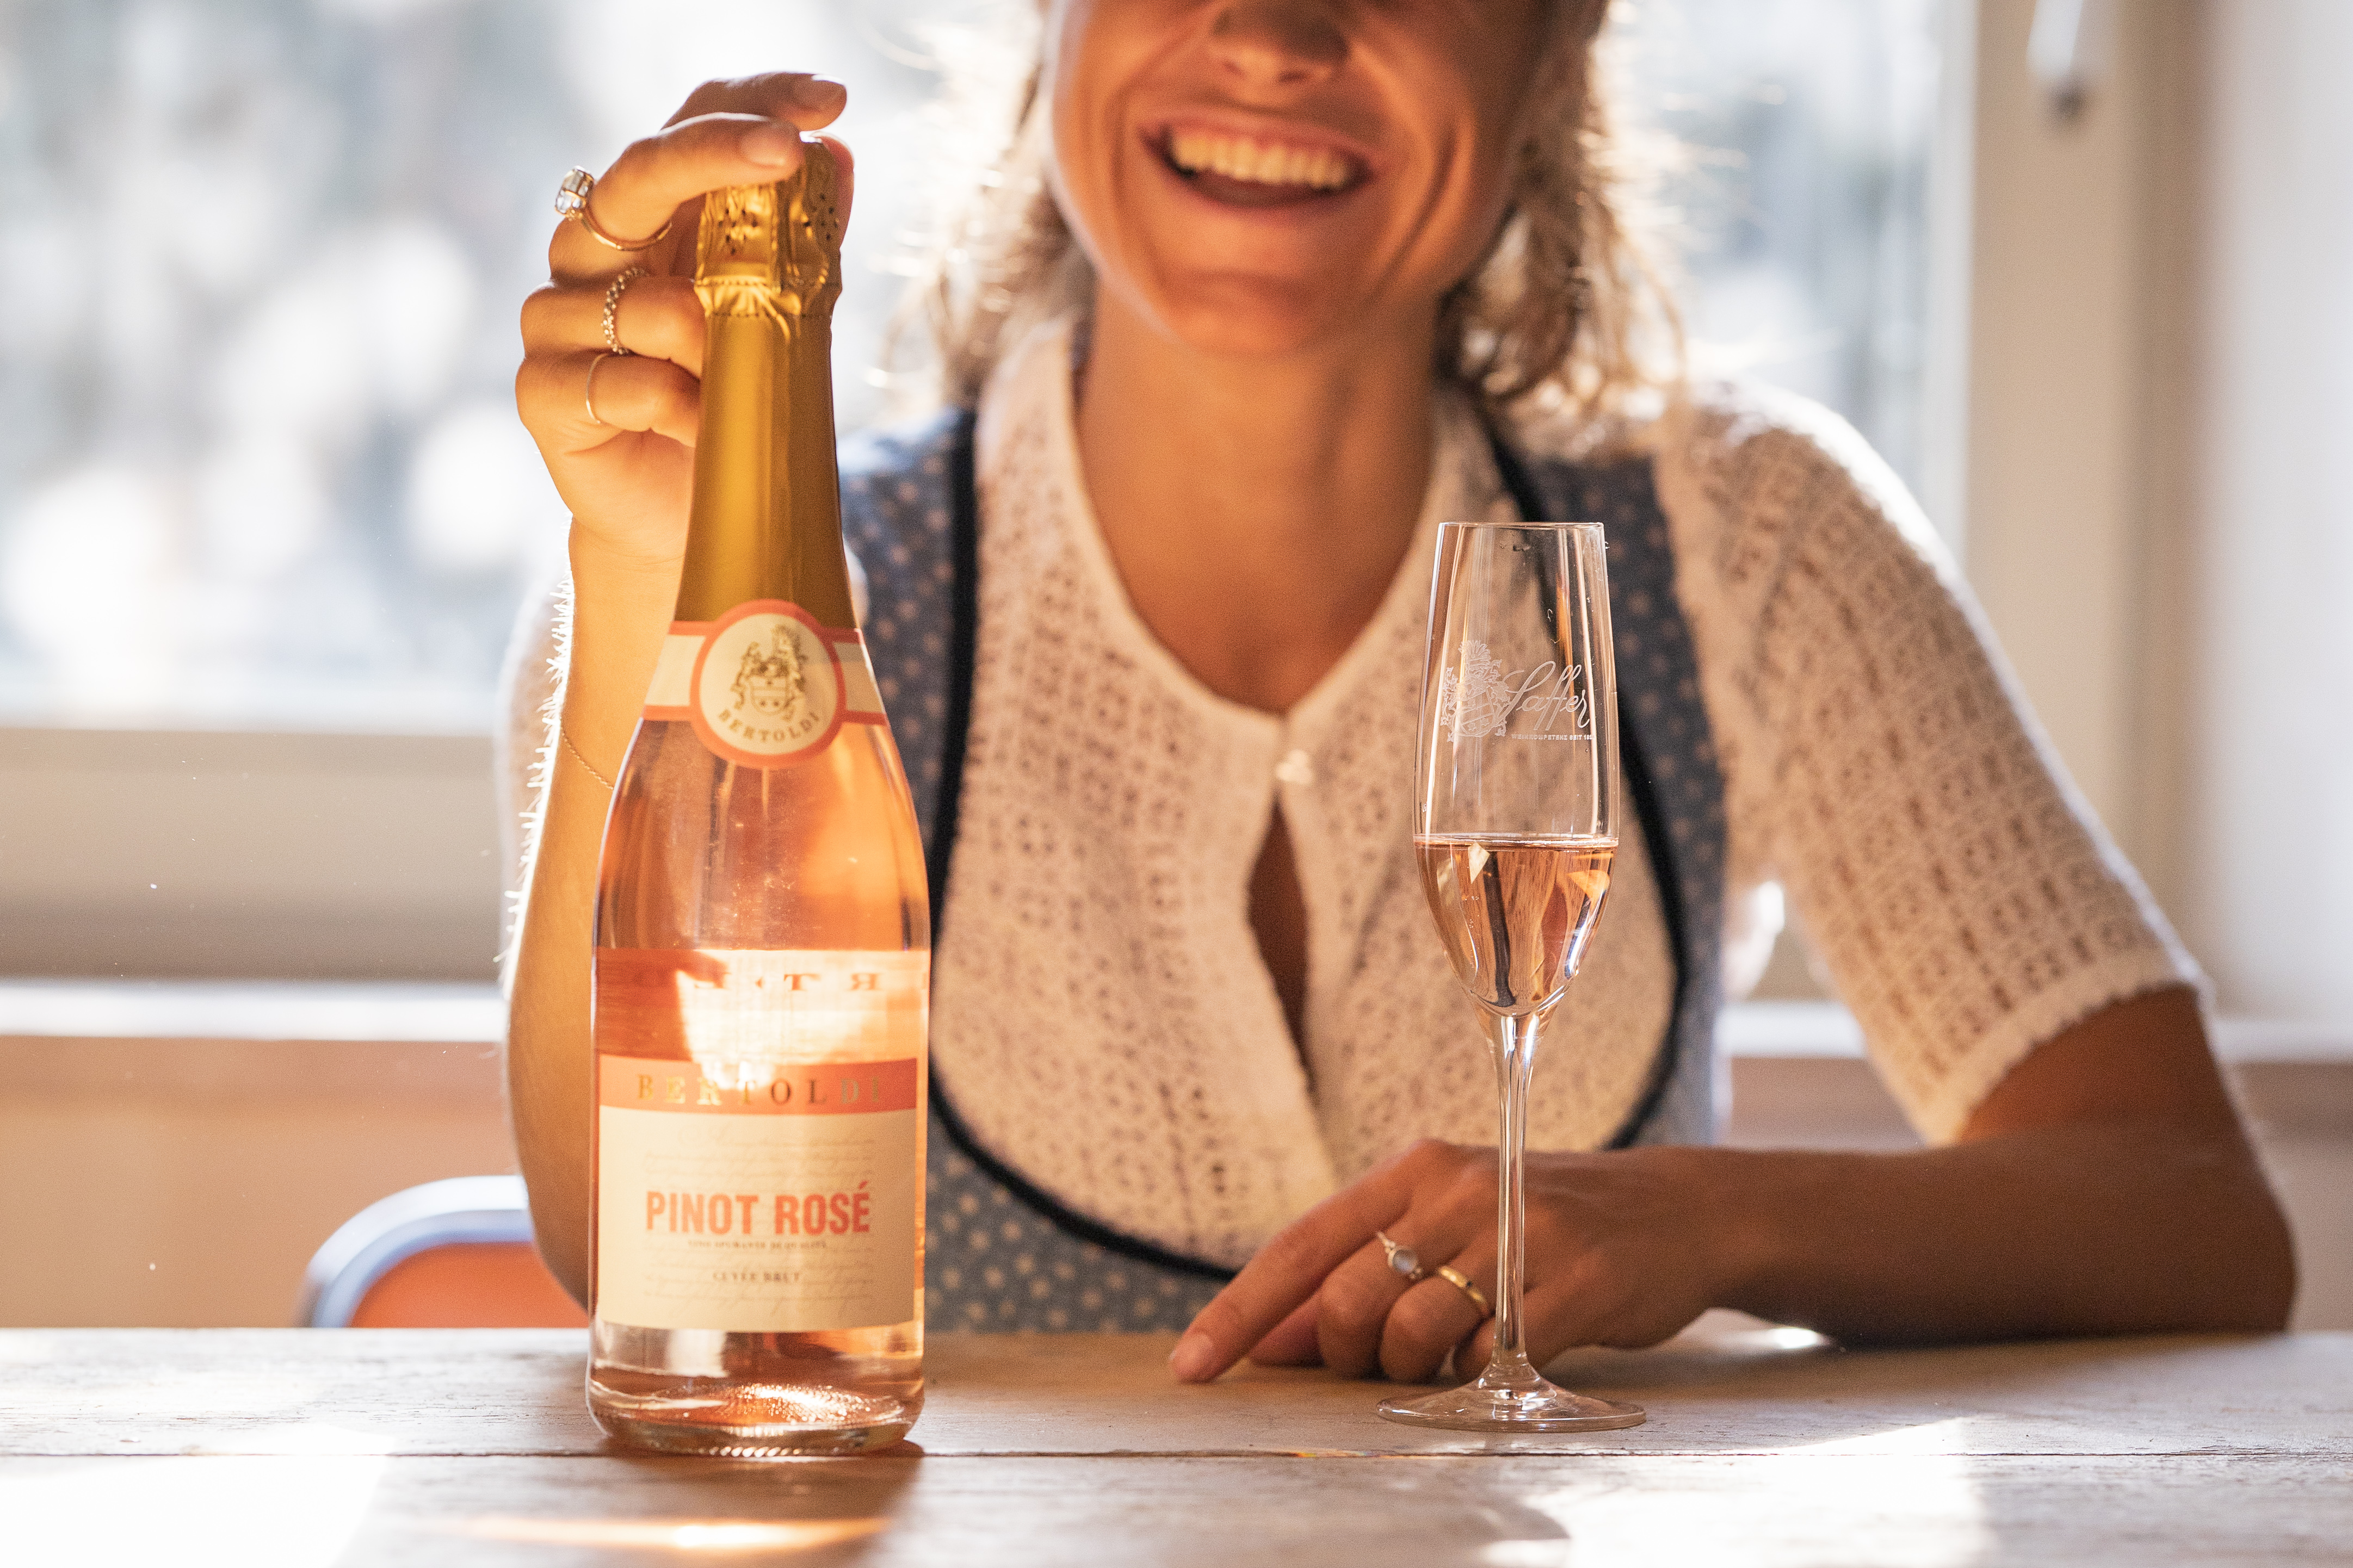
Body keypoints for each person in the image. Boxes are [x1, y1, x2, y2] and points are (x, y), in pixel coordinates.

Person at [508, 1, 2294, 1384]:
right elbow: (629, 1251)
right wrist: (629, 580)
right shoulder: (771, 614)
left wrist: (1704, 1219)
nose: (1282, 35)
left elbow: (2195, 1212)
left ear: (1555, 44)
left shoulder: (1746, 541)